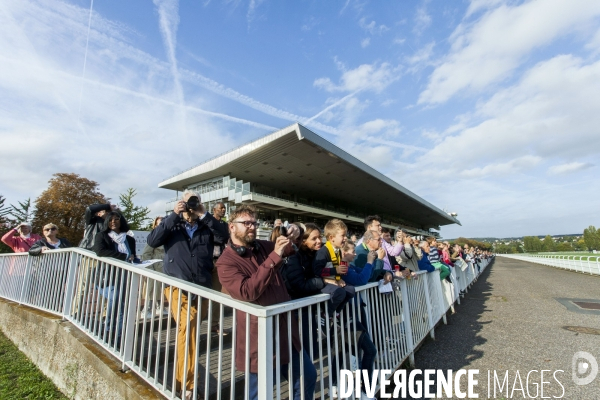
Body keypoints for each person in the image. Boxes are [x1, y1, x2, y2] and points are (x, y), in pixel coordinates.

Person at [217, 204, 316, 400]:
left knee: (307, 378)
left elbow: (289, 249)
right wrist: (275, 256)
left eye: (254, 222)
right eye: (246, 223)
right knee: (261, 393)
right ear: (232, 227)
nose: (252, 226)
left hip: (286, 331)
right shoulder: (225, 261)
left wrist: (296, 230)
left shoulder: (262, 245)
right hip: (258, 337)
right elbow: (247, 291)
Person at [146, 190, 228, 398]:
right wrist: (174, 214)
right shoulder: (171, 223)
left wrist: (204, 214)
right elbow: (153, 240)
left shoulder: (205, 224)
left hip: (201, 286)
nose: (191, 204)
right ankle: (187, 385)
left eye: (195, 201)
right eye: (188, 201)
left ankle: (185, 381)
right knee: (189, 325)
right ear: (180, 202)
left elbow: (224, 236)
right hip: (176, 286)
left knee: (188, 331)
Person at [93, 211, 137, 349]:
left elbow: (133, 256)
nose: (113, 222)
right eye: (110, 219)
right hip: (107, 276)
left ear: (121, 221)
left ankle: (118, 335)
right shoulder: (102, 236)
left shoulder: (129, 239)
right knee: (115, 297)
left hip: (125, 275)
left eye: (116, 219)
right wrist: (123, 256)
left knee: (122, 304)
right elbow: (100, 252)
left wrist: (137, 261)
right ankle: (107, 327)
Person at [313, 219, 356, 327]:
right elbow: (317, 271)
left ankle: (336, 313)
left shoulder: (337, 250)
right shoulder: (323, 251)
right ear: (332, 238)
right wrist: (334, 271)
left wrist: (339, 276)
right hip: (322, 284)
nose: (345, 238)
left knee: (350, 290)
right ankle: (324, 314)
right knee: (340, 292)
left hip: (333, 282)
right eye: (343, 235)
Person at [140, 216, 168, 318]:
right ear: (155, 225)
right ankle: (146, 309)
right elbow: (146, 254)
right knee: (151, 289)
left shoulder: (168, 236)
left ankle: (160, 307)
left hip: (165, 267)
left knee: (162, 289)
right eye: (159, 224)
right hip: (155, 266)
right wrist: (150, 268)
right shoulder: (153, 237)